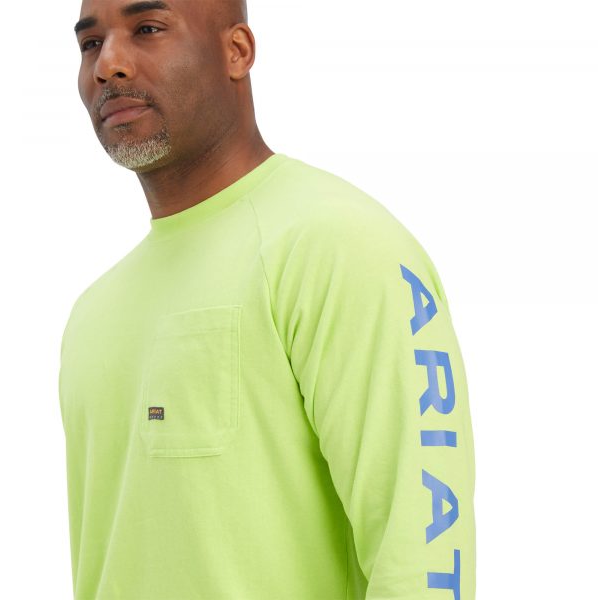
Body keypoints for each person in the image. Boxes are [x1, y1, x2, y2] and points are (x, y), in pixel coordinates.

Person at [59, 0, 476, 598]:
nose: (108, 65)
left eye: (147, 29)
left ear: (236, 52)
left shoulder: (338, 244)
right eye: (90, 44)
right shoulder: (92, 313)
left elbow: (423, 555)